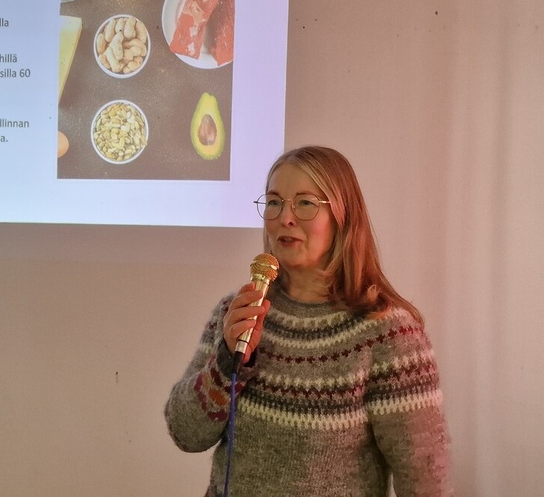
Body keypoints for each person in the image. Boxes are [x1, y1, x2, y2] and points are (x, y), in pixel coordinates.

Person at [164, 145, 452, 496]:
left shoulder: (386, 333)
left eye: (305, 203)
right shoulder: (236, 313)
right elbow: (186, 434)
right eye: (274, 202)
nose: (285, 218)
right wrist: (226, 364)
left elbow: (424, 476)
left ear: (342, 216)